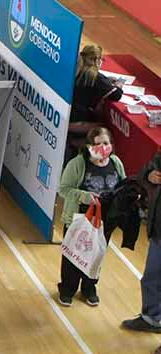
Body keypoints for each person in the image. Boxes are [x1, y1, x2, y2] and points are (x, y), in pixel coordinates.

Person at [57, 126, 124, 307]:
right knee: (73, 257)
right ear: (89, 146)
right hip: (79, 220)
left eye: (106, 143)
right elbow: (63, 189)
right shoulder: (78, 164)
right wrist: (85, 196)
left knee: (97, 255)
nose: (102, 147)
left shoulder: (116, 162)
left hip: (105, 221)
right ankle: (67, 289)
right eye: (97, 143)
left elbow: (122, 186)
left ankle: (89, 287)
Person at [121, 150, 161, 334]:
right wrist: (149, 175)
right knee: (151, 278)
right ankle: (152, 318)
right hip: (158, 229)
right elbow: (148, 168)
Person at [68, 45, 124, 155]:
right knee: (105, 132)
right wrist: (118, 85)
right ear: (97, 60)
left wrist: (106, 81)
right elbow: (117, 95)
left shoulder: (78, 71)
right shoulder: (96, 78)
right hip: (76, 122)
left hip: (68, 116)